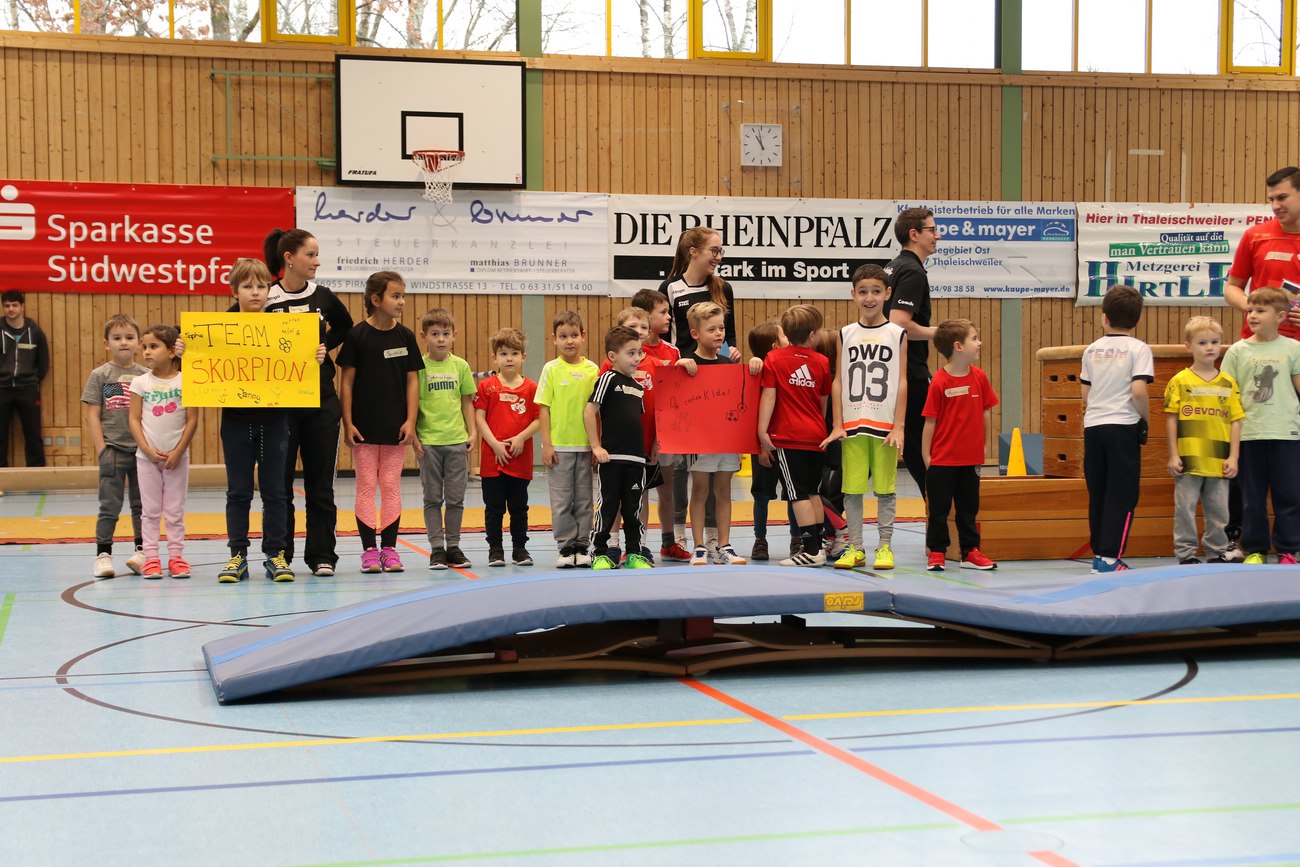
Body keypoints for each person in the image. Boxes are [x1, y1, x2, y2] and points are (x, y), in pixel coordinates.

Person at [217, 259, 321, 584]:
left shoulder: (284, 327)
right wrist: (184, 351)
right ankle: (237, 555)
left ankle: (275, 554)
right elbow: (201, 363)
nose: (255, 292)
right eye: (247, 286)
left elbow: (301, 365)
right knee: (238, 492)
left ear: (269, 290)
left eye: (261, 286)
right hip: (236, 421)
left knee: (276, 491)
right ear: (234, 291)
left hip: (275, 420)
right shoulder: (219, 329)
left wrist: (314, 357)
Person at [262, 228, 353, 577]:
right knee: (279, 487)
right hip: (280, 407)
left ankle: (322, 555)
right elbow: (232, 333)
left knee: (320, 485)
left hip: (321, 403)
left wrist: (324, 345)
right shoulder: (266, 297)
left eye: (317, 255)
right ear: (289, 258)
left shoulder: (324, 297)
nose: (317, 261)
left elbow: (344, 326)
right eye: (310, 255)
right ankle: (279, 554)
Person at [1223, 166, 1300, 558]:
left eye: (1282, 197)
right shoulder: (1256, 236)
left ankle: (1290, 544)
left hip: (1295, 359)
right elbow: (1232, 287)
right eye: (1271, 198)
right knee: (1247, 462)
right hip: (1256, 358)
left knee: (1291, 470)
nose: (1275, 205)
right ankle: (1243, 540)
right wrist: (1255, 308)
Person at [658, 228, 740, 557]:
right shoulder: (671, 288)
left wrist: (732, 352)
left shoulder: (723, 287)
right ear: (693, 251)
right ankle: (680, 533)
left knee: (717, 468)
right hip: (685, 378)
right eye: (713, 250)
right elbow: (668, 335)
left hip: (715, 379)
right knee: (684, 465)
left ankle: (716, 537)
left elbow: (729, 335)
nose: (718, 257)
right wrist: (679, 364)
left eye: (721, 251)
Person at [338, 271, 422, 574]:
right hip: (363, 427)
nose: (402, 302)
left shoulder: (406, 336)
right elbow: (346, 383)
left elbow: (413, 381)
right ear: (376, 299)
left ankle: (389, 548)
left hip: (395, 427)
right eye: (395, 296)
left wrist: (410, 420)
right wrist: (348, 422)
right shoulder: (357, 336)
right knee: (365, 485)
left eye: (402, 296)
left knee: (390, 485)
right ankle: (369, 551)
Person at [825, 264, 908, 571]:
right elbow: (838, 380)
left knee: (885, 489)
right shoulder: (845, 333)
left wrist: (899, 425)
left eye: (875, 291)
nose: (869, 297)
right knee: (852, 489)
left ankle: (885, 546)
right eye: (862, 292)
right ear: (853, 295)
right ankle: (856, 547)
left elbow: (902, 381)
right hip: (853, 424)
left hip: (885, 424)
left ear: (887, 293)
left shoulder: (897, 333)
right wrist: (837, 423)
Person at [1220, 286, 1300, 565]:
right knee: (1251, 499)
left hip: (1287, 434)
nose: (1252, 315)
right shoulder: (1237, 351)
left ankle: (1288, 550)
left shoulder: (1293, 349)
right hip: (1249, 435)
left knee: (1289, 495)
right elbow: (1228, 395)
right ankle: (1255, 549)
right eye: (1250, 310)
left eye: (1260, 310)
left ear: (1280, 317)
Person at [682, 301, 762, 566]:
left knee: (724, 491)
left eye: (721, 328)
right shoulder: (688, 363)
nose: (719, 334)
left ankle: (724, 545)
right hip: (700, 441)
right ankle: (699, 546)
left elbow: (742, 397)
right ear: (695, 333)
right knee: (700, 490)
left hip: (727, 440)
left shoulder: (729, 364)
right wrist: (680, 364)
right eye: (712, 329)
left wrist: (755, 364)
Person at [1080, 284, 1153, 574]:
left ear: (1105, 317)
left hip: (1094, 426)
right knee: (1122, 494)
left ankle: (1100, 554)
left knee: (1098, 492)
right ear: (1136, 320)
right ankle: (1111, 557)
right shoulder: (1139, 349)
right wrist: (1145, 419)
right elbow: (1138, 391)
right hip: (1123, 426)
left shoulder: (1091, 350)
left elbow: (1085, 393)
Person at [757, 304, 833, 568]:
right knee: (812, 491)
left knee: (797, 494)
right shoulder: (822, 362)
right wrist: (817, 426)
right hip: (816, 435)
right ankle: (818, 547)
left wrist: (762, 431)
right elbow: (823, 403)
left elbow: (769, 397)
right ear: (812, 335)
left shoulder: (774, 359)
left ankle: (810, 550)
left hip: (789, 437)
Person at [1163, 316, 1243, 564]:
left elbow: (1236, 421)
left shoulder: (1228, 382)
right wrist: (1174, 454)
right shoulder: (1180, 381)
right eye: (1202, 342)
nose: (1210, 347)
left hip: (1218, 461)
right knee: (1185, 509)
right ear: (1188, 346)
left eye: (1215, 342)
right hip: (1188, 461)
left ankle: (1217, 551)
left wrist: (1234, 457)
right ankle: (1186, 554)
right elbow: (1171, 419)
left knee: (1219, 511)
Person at [920, 319, 998, 572]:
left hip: (970, 459)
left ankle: (970, 551)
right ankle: (937, 552)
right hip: (943, 460)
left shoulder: (980, 377)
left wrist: (984, 446)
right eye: (974, 338)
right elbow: (930, 421)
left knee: (968, 509)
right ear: (958, 346)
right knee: (939, 510)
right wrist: (926, 455)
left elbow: (986, 412)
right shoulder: (939, 382)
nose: (979, 343)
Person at [127, 324, 198, 579]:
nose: (146, 351)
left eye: (153, 346)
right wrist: (146, 449)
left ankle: (176, 557)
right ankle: (151, 558)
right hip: (147, 459)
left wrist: (179, 451)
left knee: (175, 511)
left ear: (171, 351)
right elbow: (134, 419)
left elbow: (192, 420)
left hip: (176, 458)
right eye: (145, 347)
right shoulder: (140, 382)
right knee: (150, 511)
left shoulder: (186, 381)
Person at [632, 288, 697, 562]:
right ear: (646, 316)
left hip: (665, 432)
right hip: (637, 432)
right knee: (640, 492)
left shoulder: (672, 350)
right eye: (663, 312)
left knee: (666, 488)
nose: (670, 317)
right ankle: (638, 544)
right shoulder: (630, 351)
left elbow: (677, 392)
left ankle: (669, 542)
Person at [82, 314, 147, 579]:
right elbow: (92, 414)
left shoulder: (146, 375)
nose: (124, 342)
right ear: (106, 343)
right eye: (117, 338)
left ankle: (142, 550)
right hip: (113, 449)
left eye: (129, 338)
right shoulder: (100, 375)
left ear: (139, 343)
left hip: (142, 451)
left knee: (142, 506)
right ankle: (103, 554)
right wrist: (102, 449)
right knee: (109, 505)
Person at [585, 325, 655, 571]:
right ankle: (600, 553)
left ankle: (634, 553)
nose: (636, 358)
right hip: (612, 459)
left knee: (633, 510)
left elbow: (636, 422)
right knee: (608, 506)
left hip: (636, 460)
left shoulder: (638, 387)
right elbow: (590, 411)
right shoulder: (607, 379)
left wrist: (648, 450)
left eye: (639, 353)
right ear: (613, 356)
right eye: (631, 353)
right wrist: (596, 446)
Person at [415, 307, 477, 571]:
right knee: (432, 498)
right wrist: (415, 437)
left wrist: (472, 431)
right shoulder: (418, 367)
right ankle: (437, 549)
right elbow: (412, 403)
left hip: (456, 441)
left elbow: (467, 402)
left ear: (454, 335)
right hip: (429, 443)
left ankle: (453, 546)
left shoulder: (460, 366)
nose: (440, 339)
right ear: (424, 336)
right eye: (434, 334)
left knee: (455, 499)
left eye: (445, 334)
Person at [537, 310, 600, 568]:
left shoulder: (592, 370)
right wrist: (547, 444)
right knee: (561, 501)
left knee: (584, 500)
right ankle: (565, 546)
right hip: (559, 448)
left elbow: (597, 411)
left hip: (585, 447)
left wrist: (597, 445)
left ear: (583, 336)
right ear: (554, 339)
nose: (569, 341)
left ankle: (582, 545)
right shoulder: (550, 369)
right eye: (563, 336)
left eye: (574, 335)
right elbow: (543, 408)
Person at [885, 207, 939, 497]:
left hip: (891, 369)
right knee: (922, 446)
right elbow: (899, 323)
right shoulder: (913, 272)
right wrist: (938, 332)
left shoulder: (894, 266)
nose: (937, 236)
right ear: (914, 234)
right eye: (932, 230)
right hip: (909, 370)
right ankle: (939, 509)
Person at [474, 327, 540, 568]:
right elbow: (479, 417)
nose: (509, 358)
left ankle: (520, 549)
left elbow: (539, 419)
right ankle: (495, 550)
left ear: (523, 357)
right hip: (493, 460)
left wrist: (521, 438)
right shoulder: (487, 386)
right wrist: (494, 444)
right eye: (503, 354)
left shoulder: (531, 388)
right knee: (494, 508)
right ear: (495, 358)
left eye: (514, 353)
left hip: (519, 461)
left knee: (519, 508)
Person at [746, 320, 787, 561]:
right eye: (784, 336)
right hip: (763, 443)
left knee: (793, 494)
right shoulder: (758, 372)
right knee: (761, 494)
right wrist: (761, 446)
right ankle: (760, 540)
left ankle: (797, 538)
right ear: (775, 345)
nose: (788, 339)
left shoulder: (788, 367)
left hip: (788, 441)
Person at [0, 289, 50, 467]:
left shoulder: (35, 331)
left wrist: (32, 380)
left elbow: (43, 362)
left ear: (22, 306)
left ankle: (37, 473)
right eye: (7, 306)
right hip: (2, 389)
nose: (10, 309)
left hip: (27, 389)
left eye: (14, 305)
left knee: (33, 433)